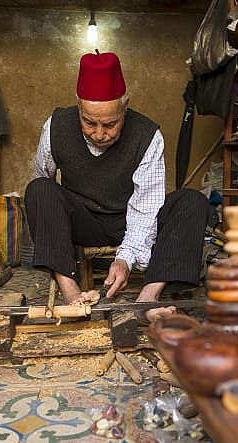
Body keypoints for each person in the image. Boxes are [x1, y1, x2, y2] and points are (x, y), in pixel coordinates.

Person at [25, 50, 209, 317]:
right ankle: (71, 292)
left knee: (192, 201)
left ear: (125, 107)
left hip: (130, 219)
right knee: (39, 188)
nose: (99, 134)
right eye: (89, 122)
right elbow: (43, 180)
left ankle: (148, 296)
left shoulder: (148, 136)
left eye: (110, 124)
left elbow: (146, 209)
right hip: (83, 221)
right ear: (79, 107)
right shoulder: (56, 127)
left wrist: (125, 258)